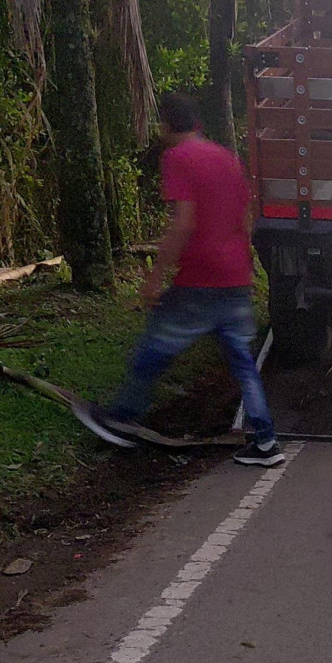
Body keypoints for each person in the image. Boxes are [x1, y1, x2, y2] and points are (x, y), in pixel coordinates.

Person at [75, 92, 283, 466]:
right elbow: (245, 217)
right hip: (234, 276)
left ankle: (120, 418)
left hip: (199, 278)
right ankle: (266, 442)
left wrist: (155, 277)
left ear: (167, 125)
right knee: (243, 364)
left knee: (156, 347)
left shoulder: (178, 158)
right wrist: (245, 264)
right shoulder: (227, 158)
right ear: (197, 123)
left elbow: (184, 223)